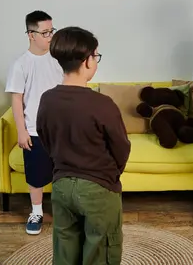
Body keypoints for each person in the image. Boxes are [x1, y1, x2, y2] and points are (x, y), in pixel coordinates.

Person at [36, 26, 130, 264]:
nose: (95, 62)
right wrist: (109, 175)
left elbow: (44, 137)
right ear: (87, 61)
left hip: (61, 187)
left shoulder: (47, 99)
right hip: (98, 188)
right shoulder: (103, 104)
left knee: (65, 247)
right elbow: (121, 147)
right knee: (101, 249)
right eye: (95, 56)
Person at [5, 10, 63, 235]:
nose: (50, 36)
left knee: (64, 172)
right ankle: (36, 211)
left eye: (52, 31)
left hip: (60, 129)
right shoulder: (21, 64)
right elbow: (17, 100)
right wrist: (22, 131)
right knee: (36, 175)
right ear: (31, 34)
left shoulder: (58, 59)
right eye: (45, 32)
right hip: (34, 130)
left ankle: (65, 212)